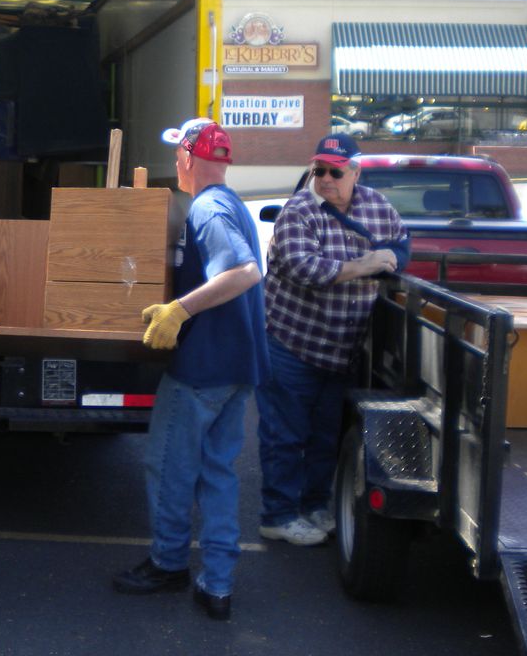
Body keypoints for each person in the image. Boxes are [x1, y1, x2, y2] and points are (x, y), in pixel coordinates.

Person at [113, 119, 267, 622]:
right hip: (237, 366)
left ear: (186, 157)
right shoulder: (233, 203)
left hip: (203, 368)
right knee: (219, 475)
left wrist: (179, 310)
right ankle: (217, 586)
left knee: (167, 467)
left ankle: (168, 563)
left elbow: (243, 271)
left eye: (176, 154)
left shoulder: (208, 207)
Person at [257, 134, 409, 546]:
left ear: (355, 173)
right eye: (318, 169)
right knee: (284, 436)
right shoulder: (298, 210)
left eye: (334, 171)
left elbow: (400, 243)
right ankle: (278, 515)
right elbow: (305, 268)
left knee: (325, 436)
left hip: (343, 350)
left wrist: (393, 259)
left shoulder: (378, 206)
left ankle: (315, 506)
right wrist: (364, 265)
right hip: (291, 344)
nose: (324, 178)